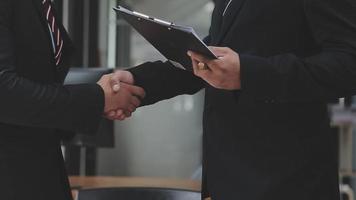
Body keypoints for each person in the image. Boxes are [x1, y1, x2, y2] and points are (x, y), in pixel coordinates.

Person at [109, 0, 356, 199]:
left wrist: (248, 73)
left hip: (287, 181)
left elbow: (348, 63)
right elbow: (212, 58)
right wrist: (139, 81)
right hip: (228, 179)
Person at [0, 0, 145, 200]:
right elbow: (5, 95)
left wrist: (105, 97)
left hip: (43, 169)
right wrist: (98, 99)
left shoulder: (41, 5)